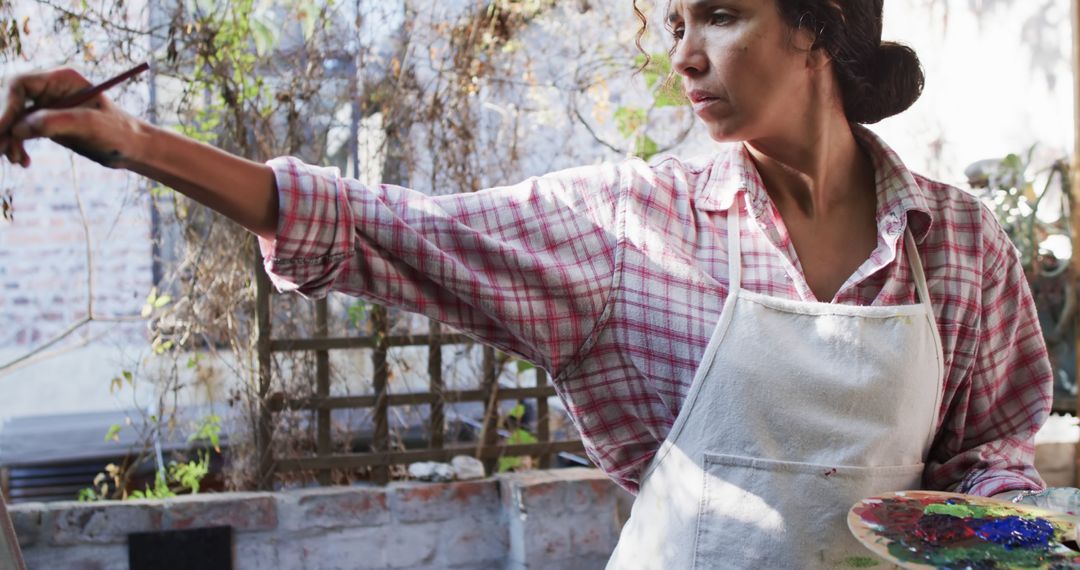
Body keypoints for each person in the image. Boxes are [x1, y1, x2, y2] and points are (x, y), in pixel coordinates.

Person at [0, 0, 1060, 567]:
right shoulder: (629, 229)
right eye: (676, 24)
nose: (684, 54)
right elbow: (391, 229)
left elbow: (987, 458)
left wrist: (1015, 542)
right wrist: (134, 142)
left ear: (815, 29)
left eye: (720, 16)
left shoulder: (955, 242)